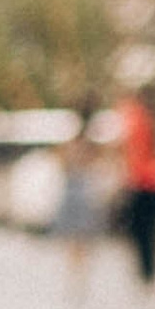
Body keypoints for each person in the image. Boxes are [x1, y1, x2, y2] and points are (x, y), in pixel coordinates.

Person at [113, 92, 155, 285]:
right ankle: (149, 270)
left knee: (141, 229)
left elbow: (129, 151)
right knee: (149, 229)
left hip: (144, 183)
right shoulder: (154, 122)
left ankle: (147, 271)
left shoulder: (136, 119)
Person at [50, 118, 110, 297]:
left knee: (80, 241)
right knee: (75, 241)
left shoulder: (82, 150)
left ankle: (78, 276)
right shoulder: (74, 149)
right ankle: (76, 275)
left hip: (82, 197)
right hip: (76, 196)